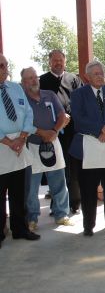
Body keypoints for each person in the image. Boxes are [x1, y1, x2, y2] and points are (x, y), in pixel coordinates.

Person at [69, 60, 105, 237]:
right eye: (95, 73)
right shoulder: (79, 94)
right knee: (88, 190)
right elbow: (78, 119)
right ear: (87, 76)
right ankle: (88, 225)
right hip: (87, 150)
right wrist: (101, 129)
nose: (100, 76)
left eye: (102, 73)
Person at [21, 67, 74, 231]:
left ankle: (61, 214)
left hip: (53, 142)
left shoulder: (49, 95)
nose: (34, 80)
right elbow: (22, 121)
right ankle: (32, 218)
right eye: (29, 78)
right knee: (32, 185)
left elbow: (62, 115)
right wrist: (41, 132)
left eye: (35, 77)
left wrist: (53, 131)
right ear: (23, 82)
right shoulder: (21, 99)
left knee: (59, 181)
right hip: (31, 145)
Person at [0, 54, 40, 246]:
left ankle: (20, 229)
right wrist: (8, 142)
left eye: (6, 65)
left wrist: (22, 137)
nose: (5, 69)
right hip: (2, 146)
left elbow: (28, 113)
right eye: (1, 65)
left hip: (20, 145)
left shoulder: (15, 88)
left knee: (20, 192)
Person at [40, 49, 83, 214]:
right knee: (56, 170)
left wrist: (69, 116)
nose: (58, 63)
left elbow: (79, 101)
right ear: (50, 62)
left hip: (72, 131)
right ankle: (57, 205)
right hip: (53, 132)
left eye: (61, 60)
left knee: (73, 169)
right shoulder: (42, 80)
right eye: (55, 60)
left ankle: (75, 203)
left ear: (65, 61)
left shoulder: (73, 79)